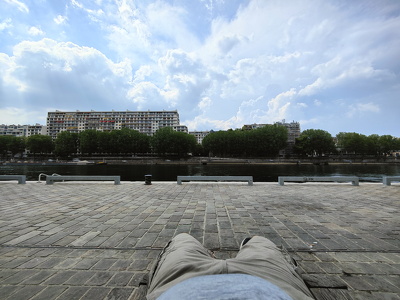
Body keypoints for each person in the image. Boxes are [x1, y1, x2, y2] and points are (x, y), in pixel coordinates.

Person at [146, 233, 314, 300]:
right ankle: (250, 245)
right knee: (260, 241)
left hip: (179, 282)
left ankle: (203, 253)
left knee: (182, 239)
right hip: (273, 283)